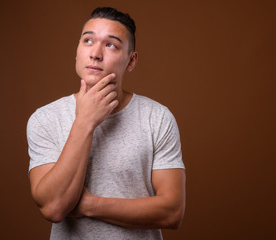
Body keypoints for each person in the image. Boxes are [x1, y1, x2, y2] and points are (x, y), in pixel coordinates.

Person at [26, 7, 185, 239]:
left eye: (111, 44)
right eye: (88, 41)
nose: (96, 53)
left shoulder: (157, 118)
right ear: (77, 52)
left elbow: (172, 212)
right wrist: (85, 122)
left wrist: (91, 205)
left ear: (131, 61)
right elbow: (53, 207)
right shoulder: (45, 118)